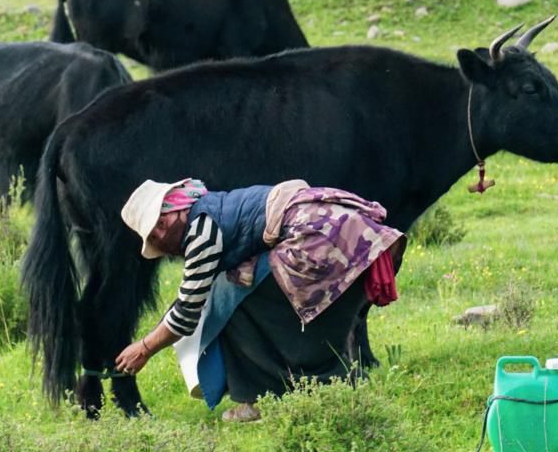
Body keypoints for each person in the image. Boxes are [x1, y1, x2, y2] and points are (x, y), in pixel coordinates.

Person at [114, 177, 405, 422]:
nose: (162, 242)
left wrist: (145, 347)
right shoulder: (212, 210)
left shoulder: (200, 231)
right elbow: (189, 298)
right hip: (347, 232)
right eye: (155, 237)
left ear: (171, 216)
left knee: (232, 302)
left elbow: (188, 309)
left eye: (158, 231)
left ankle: (259, 397)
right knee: (244, 290)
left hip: (317, 240)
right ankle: (328, 393)